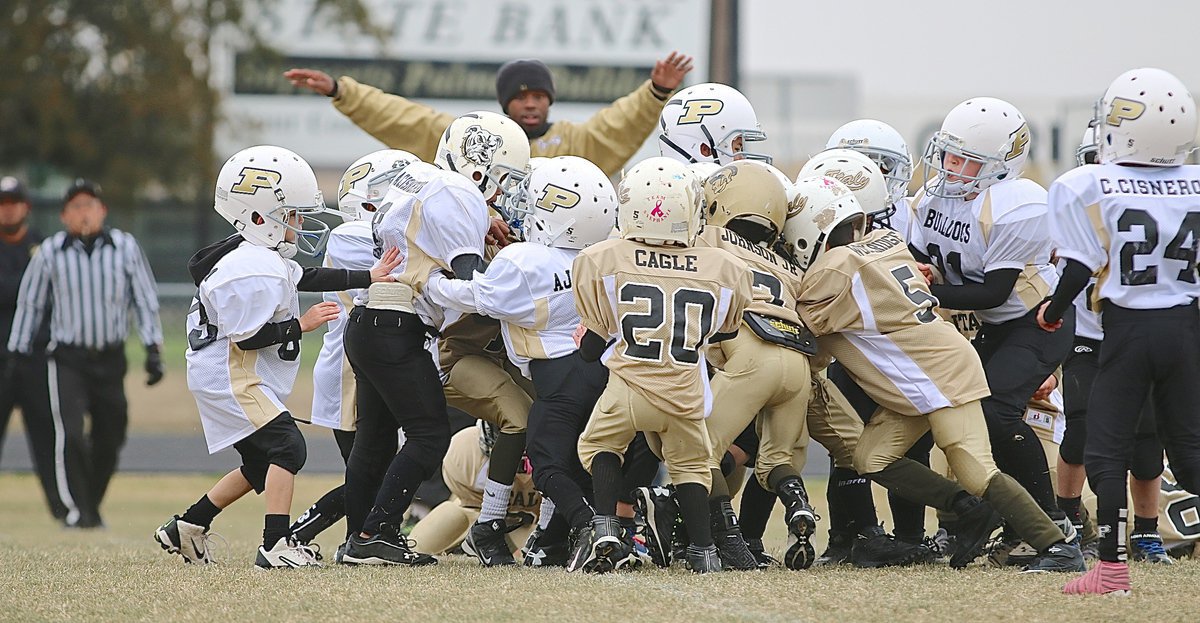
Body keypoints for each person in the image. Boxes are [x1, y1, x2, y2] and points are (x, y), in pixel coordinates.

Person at [790, 175, 1084, 573]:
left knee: (974, 466)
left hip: (937, 373)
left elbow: (806, 333)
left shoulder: (832, 274)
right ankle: (969, 509)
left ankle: (1057, 545)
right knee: (872, 457)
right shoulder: (883, 244)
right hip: (915, 376)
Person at [155, 145, 399, 568]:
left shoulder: (258, 256)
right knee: (287, 449)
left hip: (230, 372)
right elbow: (248, 340)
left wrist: (370, 275)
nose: (300, 224)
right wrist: (300, 326)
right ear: (257, 216)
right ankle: (276, 545)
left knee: (260, 462)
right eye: (291, 215)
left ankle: (189, 525)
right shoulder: (251, 268)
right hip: (230, 374)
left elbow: (310, 274)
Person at [340, 111, 529, 567]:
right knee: (428, 435)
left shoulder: (417, 178)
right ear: (480, 166)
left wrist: (484, 219)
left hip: (367, 319)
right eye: (500, 180)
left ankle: (356, 539)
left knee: (375, 437)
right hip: (399, 325)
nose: (500, 192)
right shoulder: (461, 191)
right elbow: (471, 283)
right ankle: (377, 530)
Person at [1039, 67, 1200, 595]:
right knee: (1189, 449)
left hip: (1129, 328)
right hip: (1185, 329)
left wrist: (1054, 310)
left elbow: (1082, 263)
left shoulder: (1086, 183)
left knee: (1106, 447)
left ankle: (1109, 569)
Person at [424, 155, 621, 567]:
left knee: (548, 464)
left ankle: (588, 528)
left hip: (558, 378)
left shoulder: (528, 261)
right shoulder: (602, 258)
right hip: (599, 371)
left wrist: (431, 282)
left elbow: (479, 296)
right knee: (578, 457)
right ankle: (552, 540)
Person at [572, 157, 754, 573]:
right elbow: (724, 332)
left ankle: (605, 528)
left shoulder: (601, 258)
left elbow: (595, 338)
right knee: (691, 465)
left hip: (630, 385)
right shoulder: (724, 268)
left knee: (600, 446)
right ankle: (704, 552)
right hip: (685, 389)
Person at [908, 97, 1074, 539]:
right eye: (949, 154)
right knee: (964, 410)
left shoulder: (1016, 204)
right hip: (994, 325)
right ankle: (993, 519)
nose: (952, 167)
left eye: (967, 160)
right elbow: (921, 258)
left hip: (1036, 321)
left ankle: (1056, 523)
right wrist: (920, 272)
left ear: (1003, 166)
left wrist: (923, 288)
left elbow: (992, 291)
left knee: (997, 415)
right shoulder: (930, 198)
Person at [8, 178, 163, 528]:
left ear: (103, 211)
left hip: (110, 356)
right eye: (76, 207)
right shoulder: (50, 252)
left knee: (112, 431)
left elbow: (144, 299)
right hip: (68, 357)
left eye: (90, 206)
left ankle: (89, 502)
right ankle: (79, 511)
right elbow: (30, 303)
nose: (84, 214)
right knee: (72, 433)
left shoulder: (124, 247)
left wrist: (153, 348)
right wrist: (17, 351)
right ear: (64, 215)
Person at [289, 149, 420, 547]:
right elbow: (402, 277)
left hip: (370, 362)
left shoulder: (376, 233)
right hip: (351, 367)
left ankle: (354, 536)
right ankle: (305, 536)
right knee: (370, 472)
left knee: (376, 471)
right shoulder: (352, 235)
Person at [283, 53, 693, 176]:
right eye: (520, 97)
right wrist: (341, 90)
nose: (530, 103)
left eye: (538, 96)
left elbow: (619, 123)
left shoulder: (575, 142)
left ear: (549, 100)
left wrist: (657, 91)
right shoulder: (473, 138)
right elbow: (404, 118)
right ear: (504, 104)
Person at [0, 176, 66, 521]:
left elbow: (54, 295)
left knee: (47, 437)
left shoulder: (45, 246)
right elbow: (24, 291)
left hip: (37, 359)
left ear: (25, 206)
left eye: (13, 202)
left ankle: (63, 509)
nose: (7, 209)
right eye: (2, 203)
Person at [408, 422, 541, 558]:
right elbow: (469, 503)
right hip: (477, 514)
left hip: (531, 523)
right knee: (448, 519)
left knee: (542, 535)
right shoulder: (468, 450)